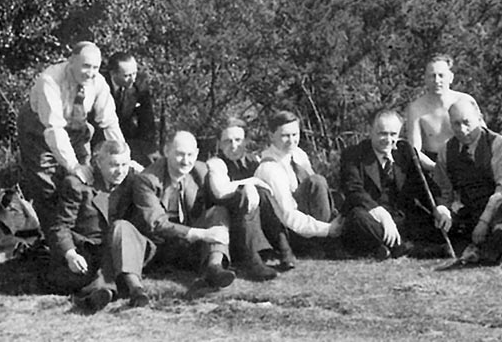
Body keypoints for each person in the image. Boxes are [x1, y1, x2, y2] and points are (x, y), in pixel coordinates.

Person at [17, 41, 124, 233]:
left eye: (95, 67)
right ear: (71, 61)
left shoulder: (98, 82)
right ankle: (57, 245)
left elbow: (108, 122)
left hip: (75, 129)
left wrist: (124, 155)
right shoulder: (49, 80)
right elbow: (54, 129)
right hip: (40, 131)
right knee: (47, 188)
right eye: (85, 66)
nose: (90, 73)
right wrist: (73, 166)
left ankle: (85, 236)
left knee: (88, 178)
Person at [46, 140, 150, 310]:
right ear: (98, 162)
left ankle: (126, 289)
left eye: (125, 164)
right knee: (94, 261)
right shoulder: (78, 185)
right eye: (114, 165)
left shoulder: (135, 181)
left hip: (125, 246)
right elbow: (60, 226)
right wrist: (70, 254)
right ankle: (110, 291)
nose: (120, 171)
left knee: (121, 226)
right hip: (90, 251)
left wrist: (146, 174)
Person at [129, 130, 237, 290]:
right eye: (180, 154)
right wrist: (202, 234)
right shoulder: (146, 180)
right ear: (166, 151)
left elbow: (222, 197)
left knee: (218, 212)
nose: (186, 161)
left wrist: (246, 190)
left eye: (190, 155)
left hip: (189, 243)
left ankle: (214, 267)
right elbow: (156, 224)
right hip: (159, 246)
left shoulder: (200, 171)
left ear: (197, 154)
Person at [340, 109, 445, 260]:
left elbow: (424, 186)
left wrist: (439, 207)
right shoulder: (353, 154)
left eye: (393, 134)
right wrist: (381, 214)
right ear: (370, 131)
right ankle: (407, 249)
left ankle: (384, 248)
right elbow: (353, 190)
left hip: (402, 218)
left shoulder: (405, 152)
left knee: (444, 221)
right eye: (382, 133)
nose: (388, 139)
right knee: (357, 218)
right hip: (371, 217)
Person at [432, 99, 502, 264]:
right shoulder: (446, 150)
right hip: (468, 209)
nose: (462, 130)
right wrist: (443, 210)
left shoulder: (498, 144)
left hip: (496, 209)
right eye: (456, 124)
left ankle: (492, 250)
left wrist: (484, 221)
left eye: (466, 123)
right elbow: (443, 189)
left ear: (479, 118)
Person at [255, 110, 342, 269]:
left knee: (319, 182)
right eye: (285, 136)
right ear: (271, 135)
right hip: (289, 232)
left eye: (295, 134)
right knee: (317, 182)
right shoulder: (270, 167)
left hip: (311, 223)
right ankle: (326, 243)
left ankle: (336, 240)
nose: (291, 141)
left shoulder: (298, 154)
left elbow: (317, 196)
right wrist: (327, 230)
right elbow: (288, 216)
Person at [206, 118, 278, 280]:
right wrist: (249, 184)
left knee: (265, 193)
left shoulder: (255, 161)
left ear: (245, 141)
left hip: (256, 225)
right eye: (227, 141)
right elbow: (220, 192)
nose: (233, 146)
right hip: (229, 228)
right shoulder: (215, 164)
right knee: (242, 197)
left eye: (238, 140)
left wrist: (254, 185)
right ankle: (252, 262)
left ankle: (282, 249)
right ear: (219, 144)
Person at [406, 54, 479, 171]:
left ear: (451, 77)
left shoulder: (466, 101)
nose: (436, 80)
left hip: (468, 162)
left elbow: (482, 137)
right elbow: (414, 150)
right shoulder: (416, 108)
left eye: (441, 75)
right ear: (425, 78)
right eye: (432, 76)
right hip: (432, 165)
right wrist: (436, 168)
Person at [102, 52, 156, 167]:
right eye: (127, 76)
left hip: (128, 135)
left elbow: (147, 120)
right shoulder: (100, 83)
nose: (132, 79)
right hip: (101, 135)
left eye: (134, 73)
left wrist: (146, 147)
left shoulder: (140, 83)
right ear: (113, 73)